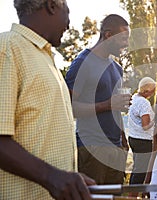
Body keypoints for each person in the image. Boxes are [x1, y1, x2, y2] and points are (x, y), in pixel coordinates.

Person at [0, 0, 96, 199]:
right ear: (52, 5)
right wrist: (51, 176)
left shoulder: (45, 57)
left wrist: (68, 177)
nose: (69, 24)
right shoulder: (7, 48)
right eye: (67, 12)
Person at [65, 14, 130, 185]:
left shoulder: (117, 68)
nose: (127, 44)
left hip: (116, 149)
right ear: (108, 35)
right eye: (123, 38)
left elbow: (116, 107)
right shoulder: (81, 63)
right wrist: (107, 104)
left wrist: (123, 139)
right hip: (92, 148)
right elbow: (68, 107)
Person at [127, 77, 156, 197]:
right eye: (153, 90)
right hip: (143, 141)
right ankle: (132, 196)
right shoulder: (144, 102)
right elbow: (146, 125)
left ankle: (131, 195)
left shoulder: (134, 98)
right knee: (140, 172)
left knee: (136, 170)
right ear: (147, 91)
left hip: (133, 138)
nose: (153, 93)